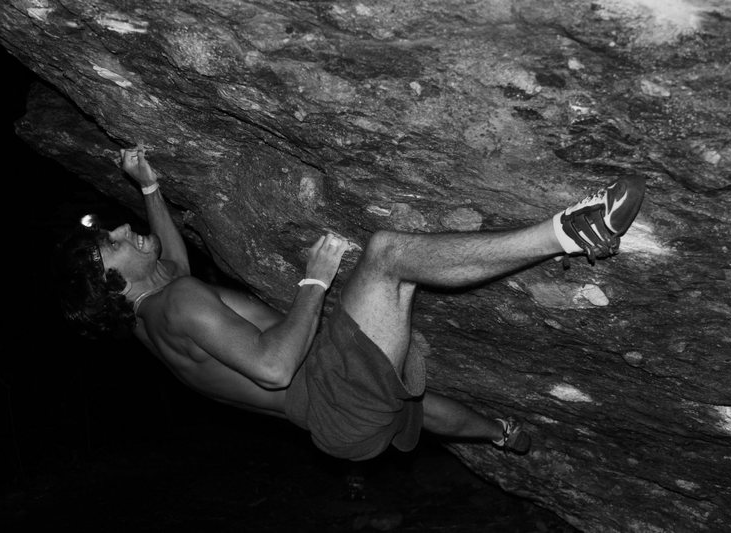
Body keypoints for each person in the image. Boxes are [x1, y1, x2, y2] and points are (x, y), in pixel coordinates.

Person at [53, 145, 646, 461]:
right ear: (110, 281)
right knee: (389, 258)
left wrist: (150, 188)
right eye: (113, 243)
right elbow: (272, 366)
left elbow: (175, 268)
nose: (124, 232)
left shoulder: (148, 316)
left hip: (335, 421)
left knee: (415, 404)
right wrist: (314, 281)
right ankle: (574, 231)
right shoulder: (176, 303)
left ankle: (503, 434)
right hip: (329, 390)